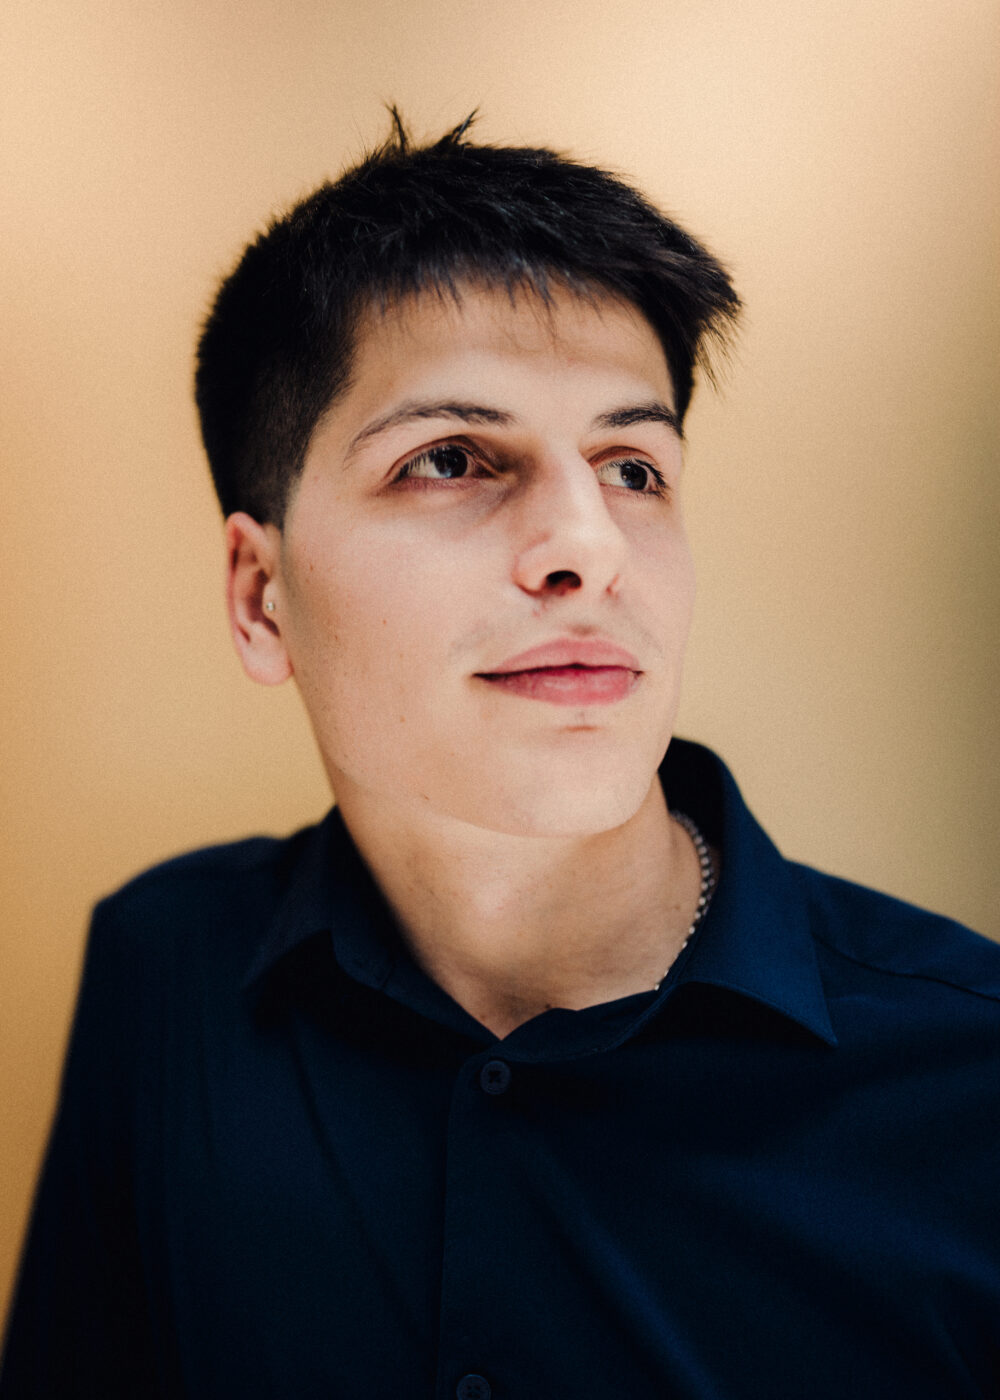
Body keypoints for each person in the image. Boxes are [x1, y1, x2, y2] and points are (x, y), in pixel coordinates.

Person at [3, 112, 998, 1399]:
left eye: (632, 468)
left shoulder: (970, 1076)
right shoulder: (166, 968)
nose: (589, 545)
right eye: (452, 459)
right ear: (260, 597)